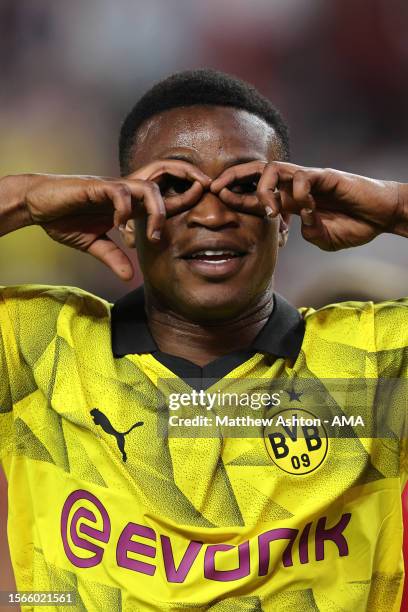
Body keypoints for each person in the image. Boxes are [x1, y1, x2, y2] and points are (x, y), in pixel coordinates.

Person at [0, 69, 407, 612]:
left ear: (284, 219)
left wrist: (394, 205)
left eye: (244, 186)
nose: (213, 214)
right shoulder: (38, 346)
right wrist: (25, 199)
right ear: (126, 214)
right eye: (171, 187)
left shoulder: (374, 361)